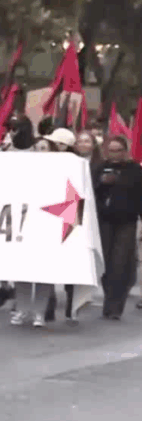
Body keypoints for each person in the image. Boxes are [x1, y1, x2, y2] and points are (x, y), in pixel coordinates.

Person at [93, 136, 142, 320]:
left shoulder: (134, 170)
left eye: (118, 150)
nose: (114, 154)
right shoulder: (100, 168)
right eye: (111, 150)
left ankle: (115, 307)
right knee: (105, 263)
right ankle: (109, 298)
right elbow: (91, 193)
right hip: (105, 221)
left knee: (120, 264)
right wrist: (102, 183)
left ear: (125, 151)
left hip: (126, 222)